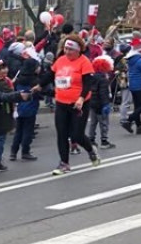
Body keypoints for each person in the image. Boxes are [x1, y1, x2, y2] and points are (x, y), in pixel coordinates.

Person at [36, 35, 99, 175]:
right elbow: (50, 75)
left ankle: (90, 150)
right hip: (61, 102)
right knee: (62, 133)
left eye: (70, 49)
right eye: (65, 48)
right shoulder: (60, 61)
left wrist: (81, 98)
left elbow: (88, 83)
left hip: (78, 104)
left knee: (76, 135)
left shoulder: (84, 62)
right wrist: (39, 85)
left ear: (77, 50)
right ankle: (64, 163)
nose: (67, 52)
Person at [86, 56, 116, 149]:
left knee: (93, 122)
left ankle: (91, 140)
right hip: (101, 104)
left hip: (92, 102)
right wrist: (106, 104)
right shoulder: (103, 80)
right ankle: (104, 141)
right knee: (104, 122)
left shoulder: (91, 77)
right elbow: (103, 93)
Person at [122, 39, 141, 134]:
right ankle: (129, 121)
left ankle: (139, 127)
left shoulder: (131, 60)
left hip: (133, 86)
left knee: (137, 106)